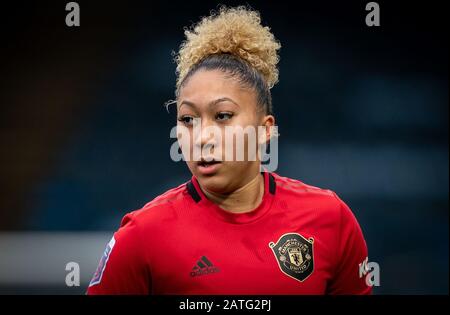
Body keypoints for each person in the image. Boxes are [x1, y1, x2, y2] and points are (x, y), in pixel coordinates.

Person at [87, 5, 372, 295]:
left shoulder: (330, 219)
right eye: (188, 119)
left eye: (222, 116)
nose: (202, 136)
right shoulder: (143, 236)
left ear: (265, 130)